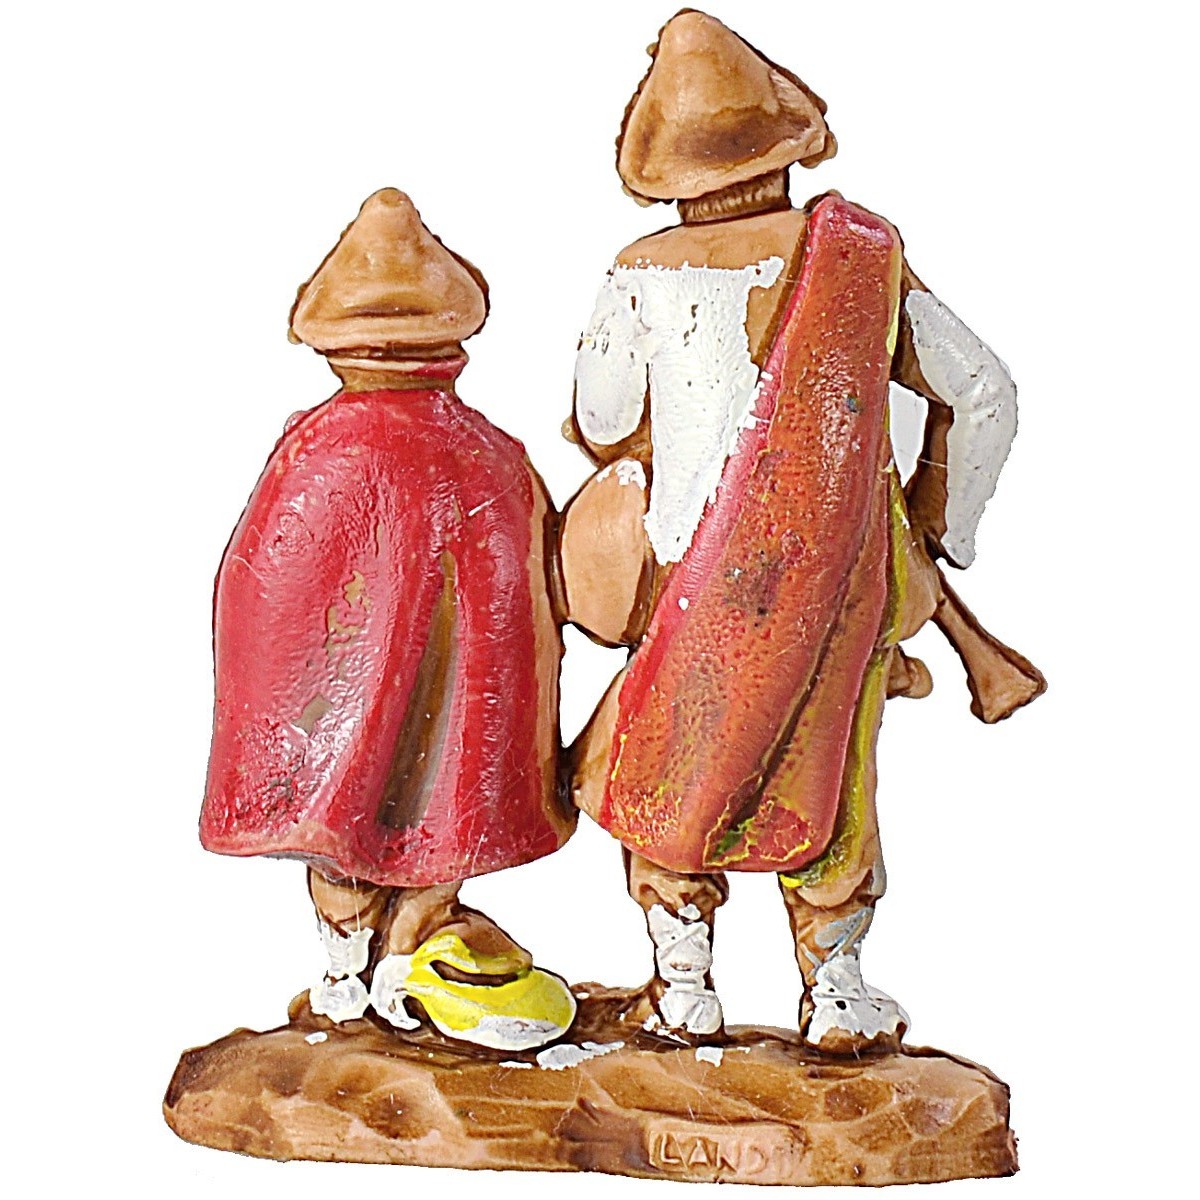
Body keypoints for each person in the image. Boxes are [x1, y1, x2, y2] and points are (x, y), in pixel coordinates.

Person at [560, 11, 1036, 1053]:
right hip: (841, 588)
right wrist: (939, 530)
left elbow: (601, 416)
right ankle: (836, 992)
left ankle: (684, 986)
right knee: (833, 771)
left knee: (673, 763)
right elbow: (986, 395)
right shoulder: (863, 256)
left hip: (686, 575)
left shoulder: (640, 272)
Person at [200, 189, 576, 1052]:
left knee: (342, 826)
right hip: (423, 718)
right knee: (426, 812)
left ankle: (357, 971)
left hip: (339, 707)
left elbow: (258, 588)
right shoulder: (490, 455)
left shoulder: (315, 449)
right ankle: (374, 964)